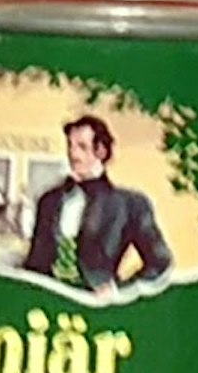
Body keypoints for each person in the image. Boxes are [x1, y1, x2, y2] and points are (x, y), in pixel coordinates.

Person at [22, 114, 171, 292]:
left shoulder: (129, 204)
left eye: (82, 147)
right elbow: (35, 262)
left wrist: (119, 290)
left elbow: (159, 261)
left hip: (94, 306)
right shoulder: (49, 201)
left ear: (101, 151)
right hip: (46, 299)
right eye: (70, 145)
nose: (73, 154)